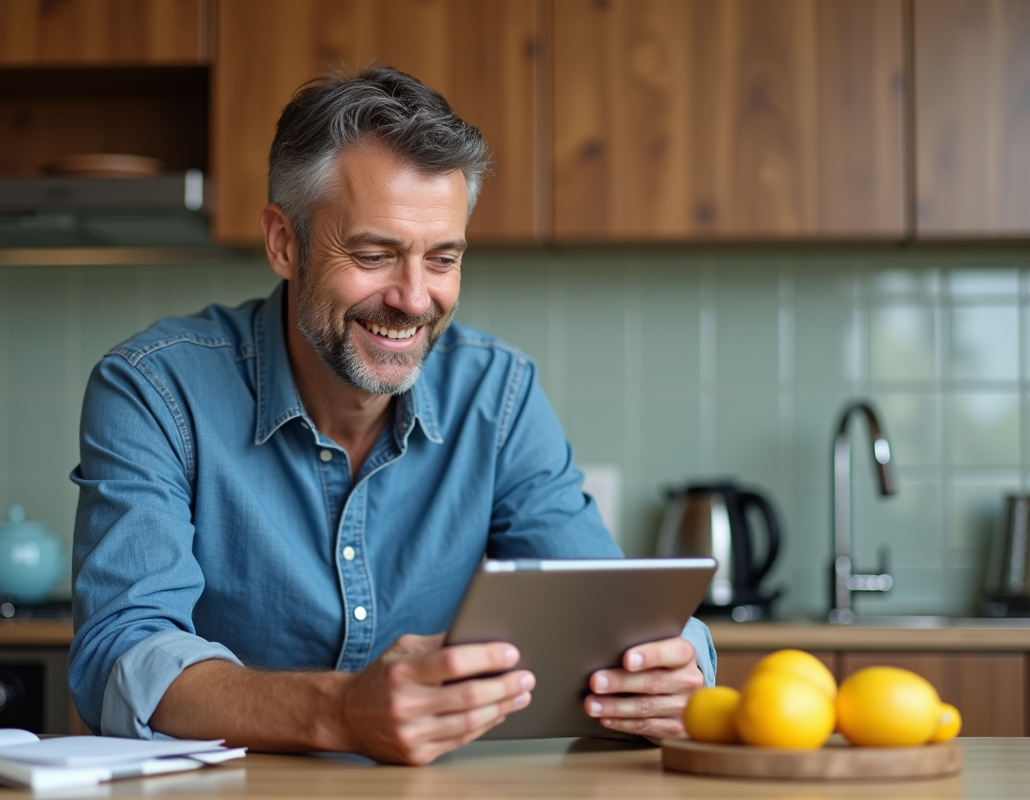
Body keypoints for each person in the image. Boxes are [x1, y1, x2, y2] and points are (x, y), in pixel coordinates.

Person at [68, 67, 716, 766]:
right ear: (285, 243)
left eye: (442, 259)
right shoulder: (154, 389)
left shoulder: (497, 394)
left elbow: (607, 619)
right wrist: (341, 712)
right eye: (375, 255)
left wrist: (677, 670)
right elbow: (122, 655)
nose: (413, 298)